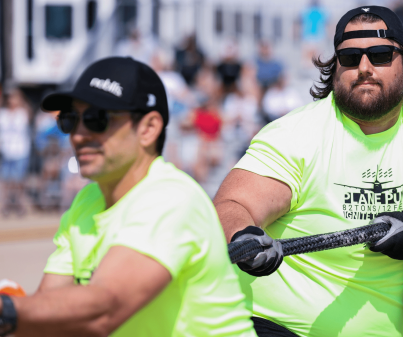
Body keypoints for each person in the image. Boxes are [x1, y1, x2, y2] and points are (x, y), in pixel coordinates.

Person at [213, 6, 403, 337]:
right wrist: (243, 236)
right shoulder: (295, 133)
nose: (364, 68)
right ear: (335, 67)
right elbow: (233, 206)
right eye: (351, 58)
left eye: (380, 55)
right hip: (274, 327)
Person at [0, 57, 256, 337]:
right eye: (71, 119)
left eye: (98, 119)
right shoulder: (88, 199)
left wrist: (9, 309)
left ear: (148, 129)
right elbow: (47, 319)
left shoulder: (170, 198)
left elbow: (104, 309)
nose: (78, 135)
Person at [0, 88, 32, 217]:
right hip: (6, 151)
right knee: (5, 181)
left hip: (20, 151)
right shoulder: (3, 113)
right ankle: (5, 206)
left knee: (18, 181)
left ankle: (20, 206)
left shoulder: (22, 112)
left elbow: (28, 115)